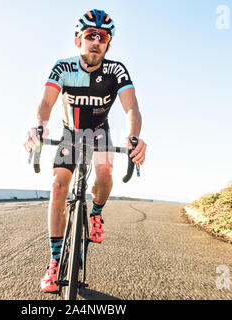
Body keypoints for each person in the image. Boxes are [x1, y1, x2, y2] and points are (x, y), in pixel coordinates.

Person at [24, 9, 147, 293]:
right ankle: (55, 262)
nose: (96, 41)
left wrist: (134, 138)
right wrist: (39, 127)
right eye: (90, 35)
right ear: (78, 39)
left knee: (104, 169)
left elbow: (132, 108)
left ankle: (96, 213)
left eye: (102, 37)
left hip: (99, 132)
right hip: (70, 133)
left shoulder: (116, 70)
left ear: (108, 43)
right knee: (57, 186)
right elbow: (45, 103)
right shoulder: (63, 67)